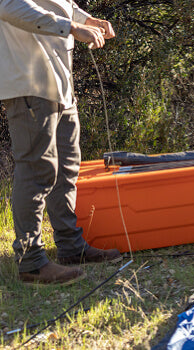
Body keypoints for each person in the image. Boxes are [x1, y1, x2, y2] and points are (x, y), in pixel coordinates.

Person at [0, 0, 122, 285]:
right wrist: (71, 27)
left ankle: (70, 247)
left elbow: (60, 3)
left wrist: (87, 19)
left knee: (67, 167)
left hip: (59, 86)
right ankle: (30, 261)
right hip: (29, 84)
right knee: (36, 171)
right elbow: (9, 6)